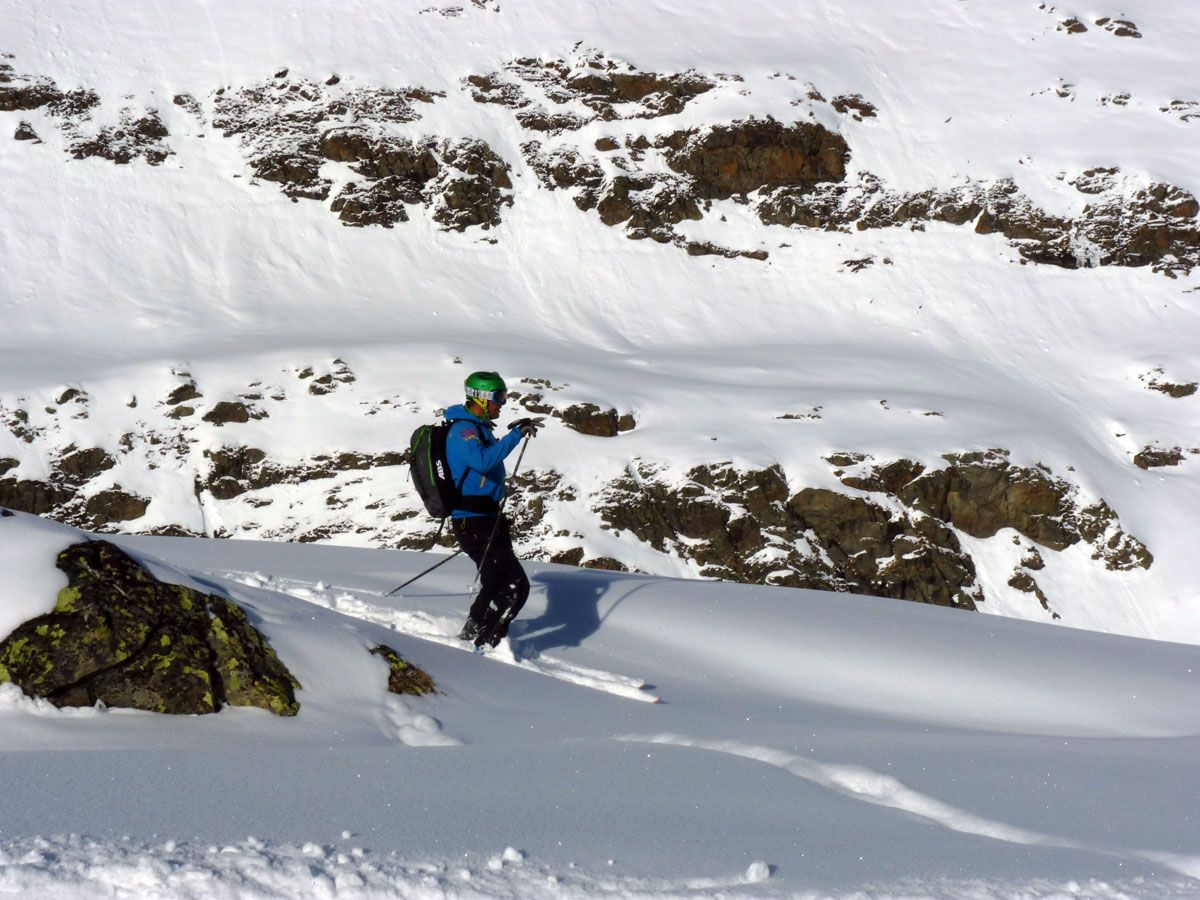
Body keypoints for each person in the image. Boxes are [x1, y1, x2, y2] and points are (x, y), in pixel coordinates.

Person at [444, 371, 542, 647]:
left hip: (487, 518)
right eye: (499, 398)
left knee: (494, 582)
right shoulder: (463, 430)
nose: (503, 403)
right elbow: (482, 461)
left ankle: (470, 636)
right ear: (483, 398)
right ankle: (487, 646)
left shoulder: (479, 429)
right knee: (514, 585)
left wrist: (513, 433)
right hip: (473, 522)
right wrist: (514, 436)